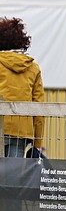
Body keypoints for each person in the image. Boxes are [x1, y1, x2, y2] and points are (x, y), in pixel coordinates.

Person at [0, 18, 45, 159]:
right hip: (21, 132)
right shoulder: (33, 68)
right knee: (12, 177)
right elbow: (39, 108)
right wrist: (37, 142)